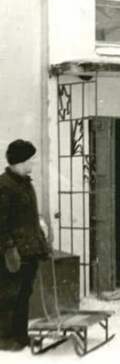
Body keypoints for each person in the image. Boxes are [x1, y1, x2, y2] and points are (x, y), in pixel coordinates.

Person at [0, 140, 51, 351]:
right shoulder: (4, 186)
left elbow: (27, 215)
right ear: (19, 161)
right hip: (13, 252)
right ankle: (4, 339)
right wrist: (9, 249)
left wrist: (39, 230)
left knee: (24, 294)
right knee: (9, 295)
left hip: (29, 249)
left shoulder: (24, 182)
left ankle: (21, 336)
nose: (33, 163)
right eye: (30, 160)